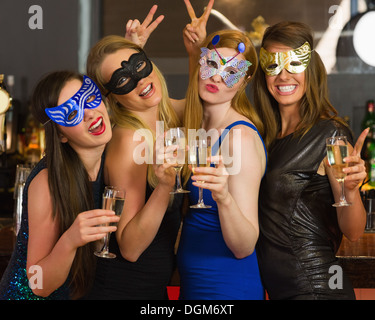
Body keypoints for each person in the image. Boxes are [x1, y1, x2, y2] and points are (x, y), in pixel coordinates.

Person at [252, 21, 367, 300]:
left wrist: (350, 190)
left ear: (310, 69)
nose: (283, 75)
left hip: (317, 288)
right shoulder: (263, 136)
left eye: (294, 63)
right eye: (273, 65)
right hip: (282, 290)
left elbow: (352, 232)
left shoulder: (331, 135)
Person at [0, 71, 118, 300]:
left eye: (90, 99)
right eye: (73, 113)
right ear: (61, 135)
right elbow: (38, 283)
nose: (90, 114)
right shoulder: (47, 182)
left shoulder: (110, 162)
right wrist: (71, 239)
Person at [177, 22, 267, 298]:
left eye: (231, 72)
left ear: (244, 81)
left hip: (226, 286)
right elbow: (145, 102)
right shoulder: (194, 122)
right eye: (211, 65)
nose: (217, 77)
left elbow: (245, 245)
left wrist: (225, 197)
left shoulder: (238, 138)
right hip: (193, 284)